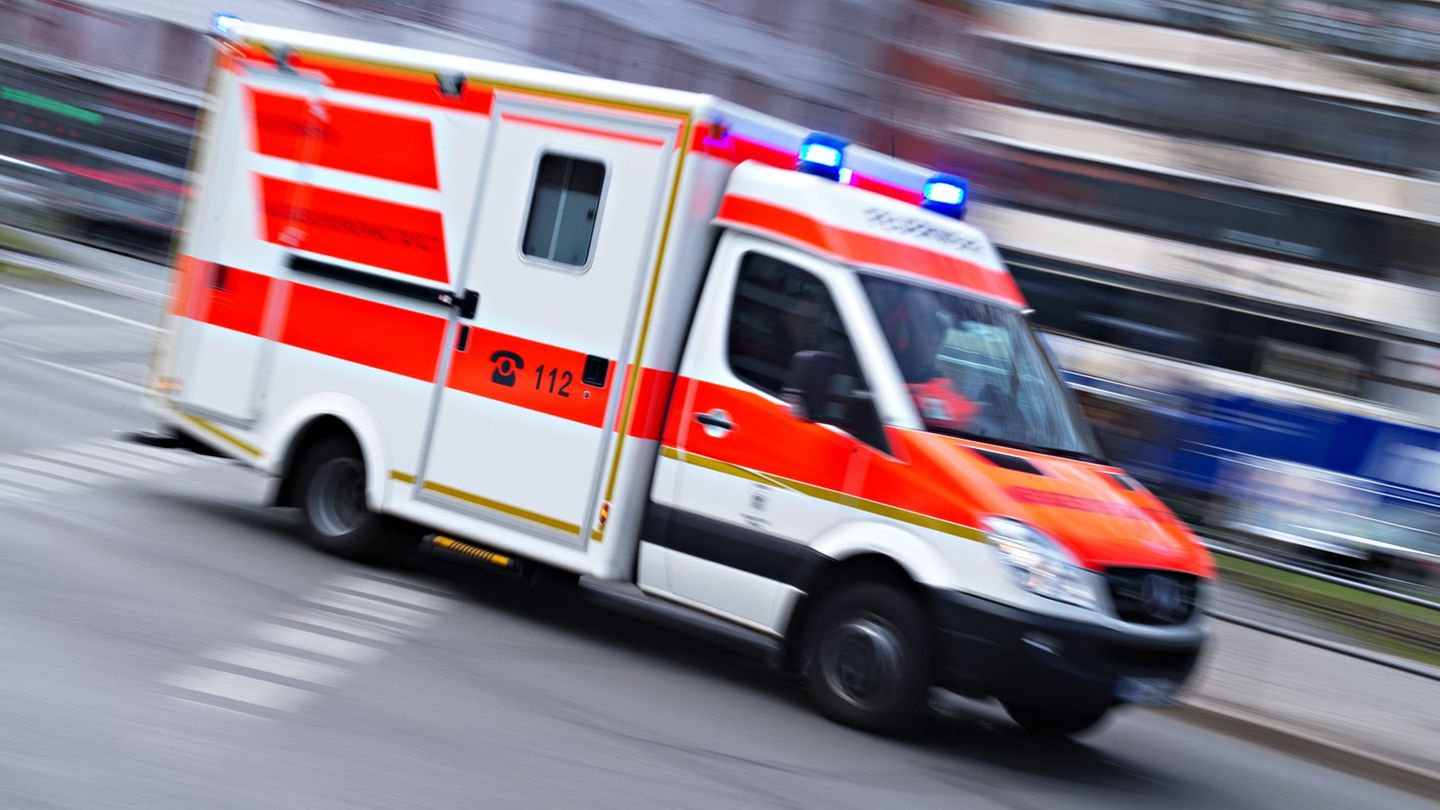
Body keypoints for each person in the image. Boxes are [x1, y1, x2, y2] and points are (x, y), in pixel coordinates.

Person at [875, 283, 979, 432]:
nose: (933, 347)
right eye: (928, 338)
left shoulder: (936, 380)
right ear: (908, 336)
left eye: (936, 341)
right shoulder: (886, 370)